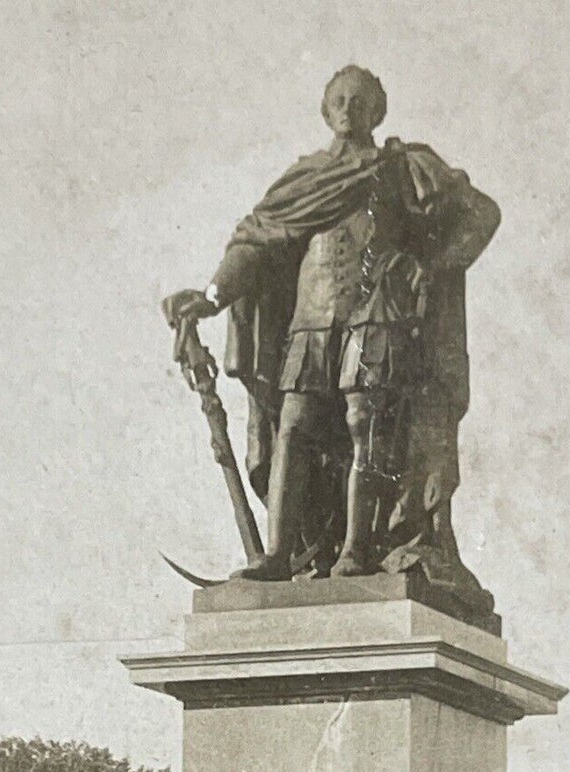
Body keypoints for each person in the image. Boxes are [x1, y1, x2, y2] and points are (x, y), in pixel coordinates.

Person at [163, 67, 499, 599]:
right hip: (312, 318)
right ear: (325, 111)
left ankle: (355, 552)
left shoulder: (403, 166)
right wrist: (210, 297)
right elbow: (255, 242)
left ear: (377, 111)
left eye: (360, 100)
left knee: (365, 425)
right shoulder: (305, 179)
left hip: (376, 313)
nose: (349, 108)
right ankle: (277, 556)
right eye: (339, 100)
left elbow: (480, 214)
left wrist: (431, 265)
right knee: (293, 425)